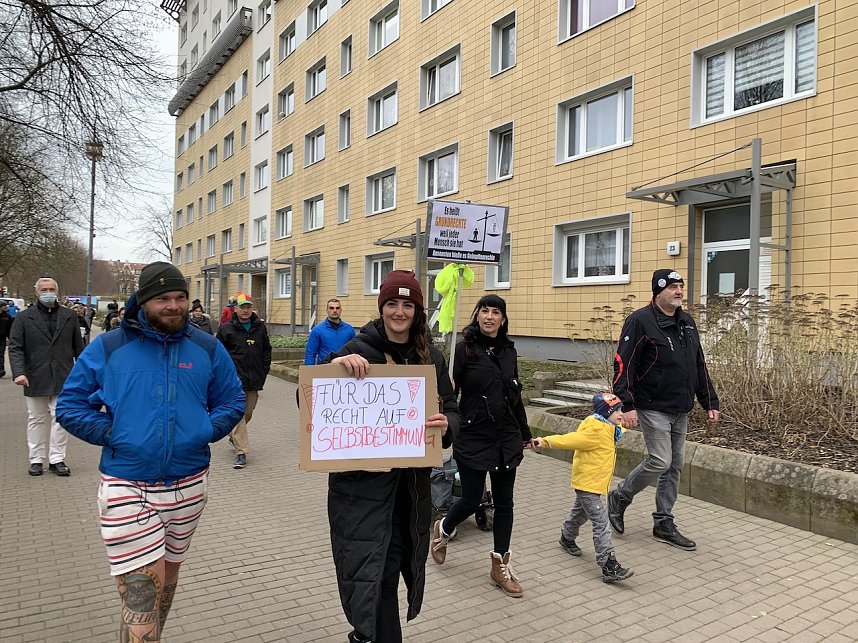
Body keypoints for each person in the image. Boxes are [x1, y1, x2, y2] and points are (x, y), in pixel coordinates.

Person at [56, 261, 245, 643]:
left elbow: (232, 399)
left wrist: (206, 429)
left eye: (179, 297)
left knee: (166, 580)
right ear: (142, 301)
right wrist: (114, 433)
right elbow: (70, 406)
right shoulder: (109, 347)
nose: (173, 305)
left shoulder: (207, 347)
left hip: (190, 486)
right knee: (144, 594)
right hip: (128, 485)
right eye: (162, 298)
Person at [326, 270, 460, 643]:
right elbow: (309, 402)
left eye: (408, 304)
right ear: (381, 307)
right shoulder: (356, 350)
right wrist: (335, 372)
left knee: (394, 569)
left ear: (417, 311)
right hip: (362, 493)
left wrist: (447, 422)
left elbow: (451, 407)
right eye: (392, 304)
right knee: (376, 574)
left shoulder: (429, 356)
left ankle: (366, 635)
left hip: (410, 493)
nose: (399, 312)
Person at [608, 269, 720, 551]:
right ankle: (620, 496)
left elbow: (699, 365)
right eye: (672, 287)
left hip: (680, 406)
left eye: (681, 286)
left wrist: (710, 402)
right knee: (660, 461)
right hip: (652, 405)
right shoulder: (640, 321)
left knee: (675, 466)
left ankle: (663, 521)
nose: (679, 291)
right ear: (658, 292)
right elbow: (624, 363)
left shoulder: (687, 323)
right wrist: (627, 404)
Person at [430, 294, 532, 598]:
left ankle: (500, 564)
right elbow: (449, 393)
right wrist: (449, 424)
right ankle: (443, 528)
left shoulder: (510, 352)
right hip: (473, 436)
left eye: (495, 312)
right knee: (472, 499)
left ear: (503, 319)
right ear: (478, 316)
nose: (489, 317)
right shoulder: (464, 349)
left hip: (505, 437)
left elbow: (513, 395)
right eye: (484, 311)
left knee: (505, 503)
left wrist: (525, 432)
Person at [533, 392, 634, 583]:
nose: (621, 413)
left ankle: (567, 536)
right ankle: (609, 565)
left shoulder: (611, 428)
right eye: (616, 410)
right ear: (605, 413)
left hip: (595, 484)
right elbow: (568, 440)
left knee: (580, 514)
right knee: (601, 522)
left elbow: (622, 426)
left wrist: (634, 420)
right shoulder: (595, 431)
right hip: (587, 485)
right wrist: (544, 441)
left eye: (621, 409)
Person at [9, 278, 84, 476]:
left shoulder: (69, 316)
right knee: (36, 419)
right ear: (36, 293)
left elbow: (78, 347)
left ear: (57, 292)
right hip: (34, 376)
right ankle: (36, 459)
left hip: (63, 376)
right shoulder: (24, 317)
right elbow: (16, 347)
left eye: (51, 289)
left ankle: (57, 459)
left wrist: (84, 373)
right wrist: (19, 372)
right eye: (44, 289)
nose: (48, 292)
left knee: (61, 418)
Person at [216, 292, 271, 469]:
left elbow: (266, 351)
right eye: (242, 307)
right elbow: (218, 355)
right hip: (234, 381)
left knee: (248, 413)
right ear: (236, 309)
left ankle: (234, 435)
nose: (246, 310)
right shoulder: (226, 329)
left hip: (254, 378)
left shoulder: (259, 327)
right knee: (239, 414)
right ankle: (241, 452)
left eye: (248, 307)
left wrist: (264, 371)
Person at [304, 298, 356, 365]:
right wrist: (309, 373)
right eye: (331, 308)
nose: (335, 310)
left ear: (341, 310)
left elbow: (355, 352)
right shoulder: (318, 330)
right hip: (325, 368)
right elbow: (310, 354)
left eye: (337, 308)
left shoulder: (349, 329)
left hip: (345, 368)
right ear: (327, 311)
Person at [0, 299, 12, 377]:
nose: (5, 307)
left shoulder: (7, 316)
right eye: (4, 306)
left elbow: (10, 327)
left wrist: (10, 337)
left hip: (2, 337)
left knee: (1, 353)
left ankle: (1, 369)